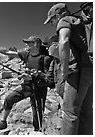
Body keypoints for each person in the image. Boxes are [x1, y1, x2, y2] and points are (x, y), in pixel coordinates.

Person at [44, 3, 93, 135]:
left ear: (59, 15)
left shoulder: (65, 21)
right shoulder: (81, 21)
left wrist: (64, 70)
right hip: (90, 69)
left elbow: (64, 41)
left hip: (76, 71)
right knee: (86, 110)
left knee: (69, 113)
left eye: (52, 20)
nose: (52, 24)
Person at [0, 36, 54, 131]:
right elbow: (7, 52)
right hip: (27, 86)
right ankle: (3, 122)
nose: (26, 44)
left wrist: (33, 76)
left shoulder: (46, 58)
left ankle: (38, 131)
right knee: (9, 99)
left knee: (38, 115)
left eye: (28, 43)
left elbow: (48, 79)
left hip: (39, 89)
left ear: (35, 44)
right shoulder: (26, 54)